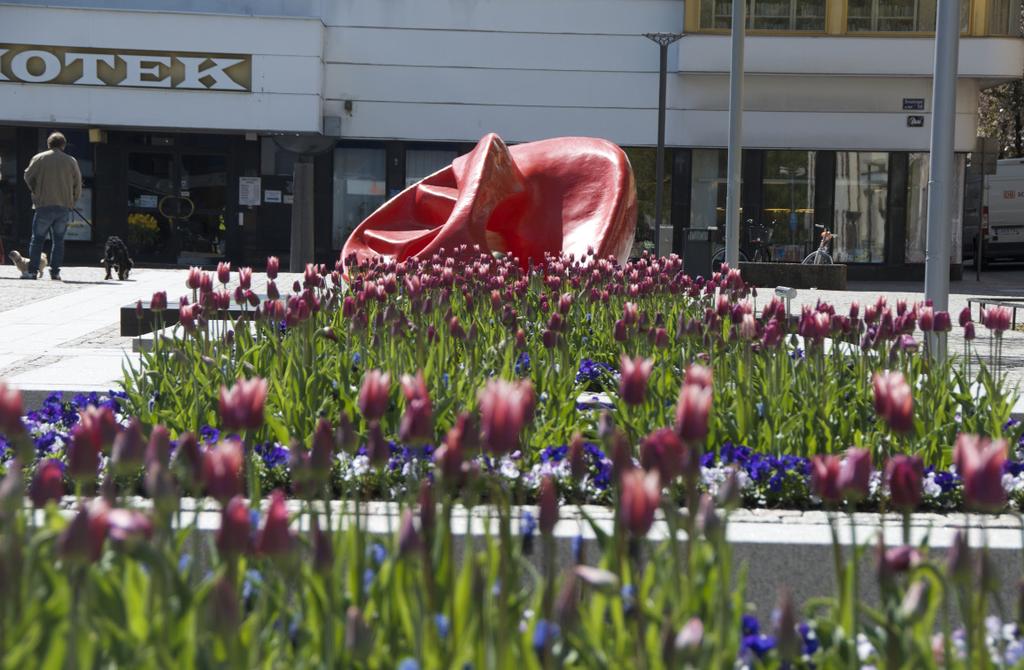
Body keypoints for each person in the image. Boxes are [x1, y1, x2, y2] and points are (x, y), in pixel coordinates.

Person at [21, 132, 81, 281]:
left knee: (37, 239)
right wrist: (73, 201)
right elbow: (78, 183)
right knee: (59, 240)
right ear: (63, 145)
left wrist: (35, 190)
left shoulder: (39, 158)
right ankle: (55, 272)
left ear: (49, 144)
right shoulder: (71, 161)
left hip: (43, 205)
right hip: (63, 206)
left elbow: (27, 175)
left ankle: (33, 271)